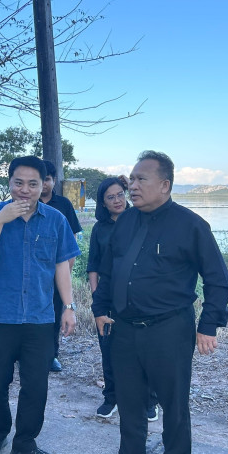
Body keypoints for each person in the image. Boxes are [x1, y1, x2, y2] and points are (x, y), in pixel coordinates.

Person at [91, 150, 228, 454]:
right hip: (124, 328)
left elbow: (217, 279)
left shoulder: (191, 225)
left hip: (169, 329)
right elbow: (109, 270)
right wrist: (100, 309)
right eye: (131, 179)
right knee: (129, 400)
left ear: (165, 185)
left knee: (173, 404)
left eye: (141, 179)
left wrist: (209, 325)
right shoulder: (125, 221)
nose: (132, 186)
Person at [0, 156, 80, 454]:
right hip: (0, 316)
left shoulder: (55, 219)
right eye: (18, 182)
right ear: (9, 183)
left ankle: (25, 443)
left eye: (33, 183)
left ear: (44, 185)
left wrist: (68, 307)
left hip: (40, 316)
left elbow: (62, 265)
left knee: (36, 385)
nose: (25, 189)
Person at [88, 178, 159, 421]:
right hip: (108, 300)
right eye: (111, 197)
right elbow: (94, 266)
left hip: (139, 300)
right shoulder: (100, 229)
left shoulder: (141, 220)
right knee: (108, 350)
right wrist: (97, 298)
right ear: (103, 203)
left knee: (144, 352)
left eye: (120, 194)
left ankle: (149, 400)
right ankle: (111, 397)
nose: (117, 200)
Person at [39, 159, 82, 372]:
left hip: (57, 270)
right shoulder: (24, 203)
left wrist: (66, 272)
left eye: (47, 179)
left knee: (55, 313)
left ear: (54, 181)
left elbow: (71, 240)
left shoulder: (63, 204)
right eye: (40, 180)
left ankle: (51, 355)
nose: (43, 184)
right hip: (34, 272)